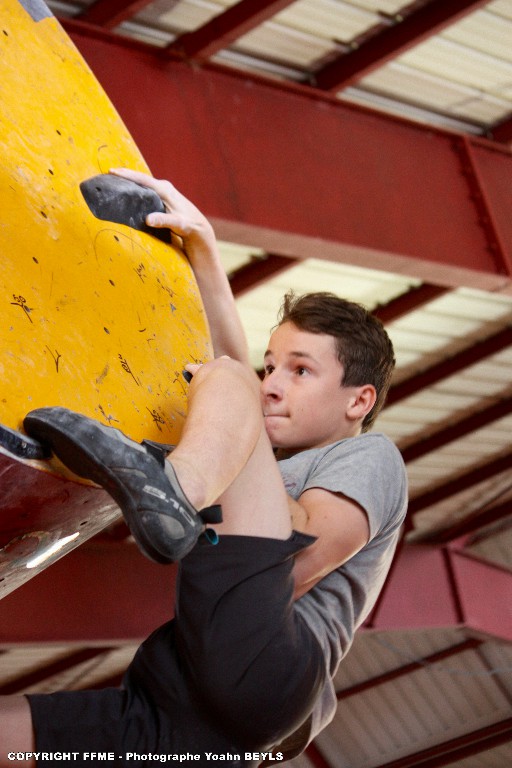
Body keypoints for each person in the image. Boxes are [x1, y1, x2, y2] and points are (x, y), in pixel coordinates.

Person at [0, 169, 407, 767]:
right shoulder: (252, 459)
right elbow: (234, 379)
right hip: (189, 711)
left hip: (267, 676)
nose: (273, 384)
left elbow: (297, 560)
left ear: (359, 400)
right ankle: (174, 488)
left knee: (224, 385)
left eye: (300, 370)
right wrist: (205, 251)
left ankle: (175, 488)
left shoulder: (370, 457)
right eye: (271, 367)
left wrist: (204, 475)